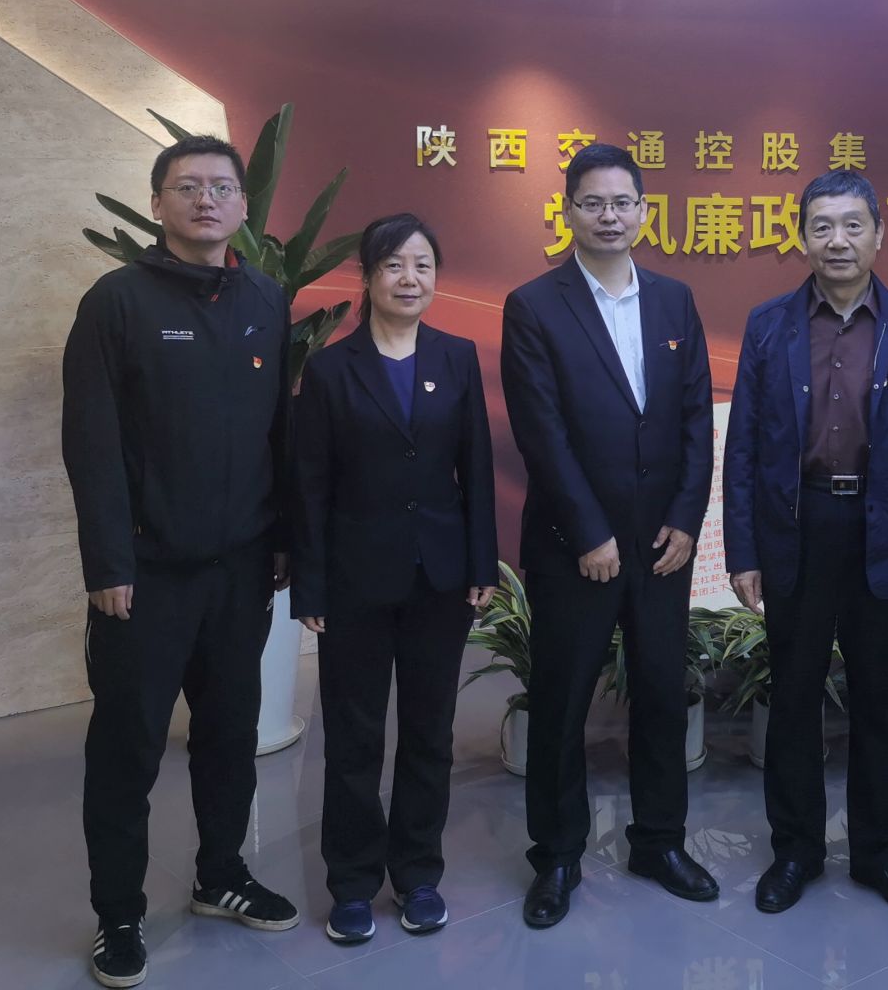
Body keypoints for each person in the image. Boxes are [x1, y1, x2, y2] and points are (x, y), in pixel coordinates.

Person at [63, 136, 299, 989]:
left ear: (244, 206)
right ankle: (118, 914)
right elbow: (91, 441)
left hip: (241, 568)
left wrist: (283, 541)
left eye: (221, 187)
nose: (206, 200)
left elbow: (279, 434)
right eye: (188, 186)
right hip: (145, 573)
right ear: (158, 201)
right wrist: (107, 564)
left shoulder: (265, 299)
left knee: (230, 733)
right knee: (126, 748)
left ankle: (220, 875)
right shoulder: (116, 302)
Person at [722, 170, 888, 918]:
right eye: (822, 226)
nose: (838, 240)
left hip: (881, 530)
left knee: (878, 699)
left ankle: (882, 856)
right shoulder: (770, 324)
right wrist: (743, 551)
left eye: (853, 225)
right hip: (798, 526)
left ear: (879, 234)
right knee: (793, 698)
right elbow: (744, 445)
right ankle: (795, 851)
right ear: (802, 238)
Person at [500, 143, 717, 928]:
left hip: (661, 545)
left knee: (661, 694)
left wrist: (686, 519)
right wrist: (589, 532)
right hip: (574, 547)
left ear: (644, 212)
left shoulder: (674, 301)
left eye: (623, 202)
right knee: (561, 703)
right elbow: (541, 433)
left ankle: (659, 841)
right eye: (592, 203)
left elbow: (696, 418)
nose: (609, 216)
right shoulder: (534, 304)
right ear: (568, 212)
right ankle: (557, 855)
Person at [291, 212, 499, 945]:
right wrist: (309, 586)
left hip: (440, 577)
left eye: (422, 266)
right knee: (353, 738)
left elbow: (476, 467)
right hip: (355, 579)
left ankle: (417, 874)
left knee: (429, 733)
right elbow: (310, 486)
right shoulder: (330, 369)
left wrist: (481, 563)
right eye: (394, 266)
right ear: (368, 276)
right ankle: (351, 883)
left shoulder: (457, 356)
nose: (410, 279)